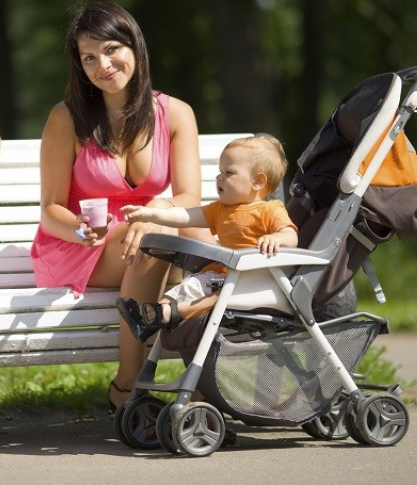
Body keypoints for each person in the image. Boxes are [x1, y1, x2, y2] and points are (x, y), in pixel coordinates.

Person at [30, 1, 207, 413]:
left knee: (193, 239)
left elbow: (189, 199)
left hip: (150, 239)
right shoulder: (67, 118)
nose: (102, 65)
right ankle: (129, 386)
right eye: (89, 57)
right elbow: (50, 210)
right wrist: (78, 227)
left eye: (111, 50)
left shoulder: (175, 113)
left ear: (134, 47)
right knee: (165, 240)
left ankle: (196, 389)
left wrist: (155, 212)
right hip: (80, 245)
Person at [117, 135, 299, 342]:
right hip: (226, 276)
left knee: (218, 298)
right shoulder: (220, 209)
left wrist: (277, 238)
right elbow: (185, 216)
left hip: (258, 282)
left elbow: (291, 236)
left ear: (258, 181)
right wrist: (150, 215)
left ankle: (169, 314)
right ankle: (151, 318)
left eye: (228, 173)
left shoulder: (270, 210)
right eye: (220, 172)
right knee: (190, 285)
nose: (219, 178)